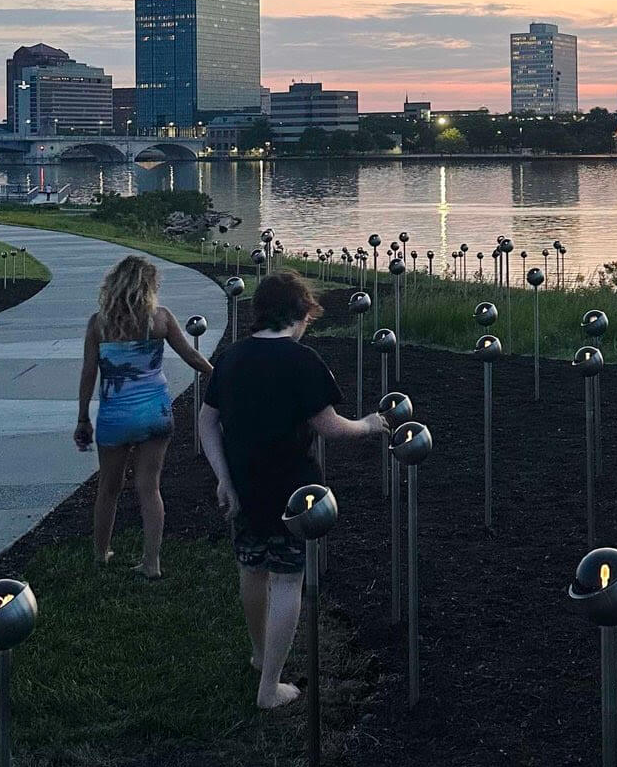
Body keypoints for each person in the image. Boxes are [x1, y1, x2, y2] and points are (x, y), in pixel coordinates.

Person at [199, 268, 385, 709]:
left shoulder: (231, 357)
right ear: (300, 313)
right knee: (287, 580)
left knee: (251, 569)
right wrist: (369, 425)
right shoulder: (303, 362)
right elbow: (330, 427)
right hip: (292, 491)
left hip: (243, 485)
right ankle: (270, 688)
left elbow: (207, 421)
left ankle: (261, 655)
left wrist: (223, 477)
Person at [74, 254, 214, 579]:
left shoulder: (99, 324)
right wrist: (218, 374)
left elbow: (88, 373)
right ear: (147, 288)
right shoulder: (160, 319)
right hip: (155, 413)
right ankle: (152, 562)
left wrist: (83, 417)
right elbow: (191, 355)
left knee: (108, 488)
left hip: (115, 416)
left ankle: (101, 555)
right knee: (149, 488)